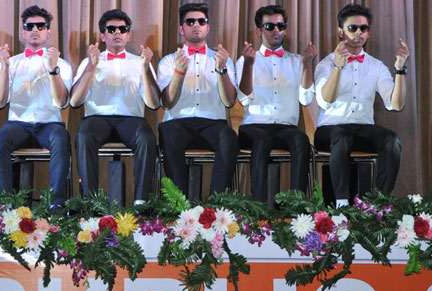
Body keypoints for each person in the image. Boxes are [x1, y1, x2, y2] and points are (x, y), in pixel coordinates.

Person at [315, 4, 409, 207]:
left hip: (363, 129)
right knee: (342, 136)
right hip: (329, 130)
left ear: (368, 33)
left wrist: (400, 70)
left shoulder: (376, 66)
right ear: (340, 32)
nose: (359, 33)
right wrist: (338, 68)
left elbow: (395, 104)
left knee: (391, 140)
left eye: (363, 28)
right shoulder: (326, 64)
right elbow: (325, 100)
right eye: (353, 28)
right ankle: (341, 203)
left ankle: (379, 204)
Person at [70, 9, 159, 205]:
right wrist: (91, 68)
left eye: (122, 29)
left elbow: (153, 104)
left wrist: (145, 69)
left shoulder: (140, 62)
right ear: (103, 36)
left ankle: (141, 201)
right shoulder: (90, 61)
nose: (117, 32)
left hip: (131, 119)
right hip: (97, 119)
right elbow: (74, 102)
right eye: (111, 29)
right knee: (83, 136)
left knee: (146, 137)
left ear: (128, 35)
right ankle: (90, 202)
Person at [0, 5, 73, 208]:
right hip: (18, 124)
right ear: (23, 32)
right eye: (30, 26)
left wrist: (53, 69)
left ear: (48, 31)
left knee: (61, 139)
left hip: (49, 124)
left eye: (40, 26)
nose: (35, 30)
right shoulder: (11, 62)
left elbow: (62, 102)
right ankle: (3, 205)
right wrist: (3, 66)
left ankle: (57, 204)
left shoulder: (61, 63)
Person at [236, 5, 317, 203]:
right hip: (253, 126)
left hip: (285, 127)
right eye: (270, 26)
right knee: (262, 140)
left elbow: (305, 99)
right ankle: (259, 207)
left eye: (280, 26)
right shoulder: (245, 60)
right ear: (259, 30)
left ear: (285, 30)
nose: (276, 31)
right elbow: (244, 99)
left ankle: (296, 205)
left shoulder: (297, 61)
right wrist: (248, 65)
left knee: (301, 140)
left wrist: (307, 66)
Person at [157, 2, 239, 199]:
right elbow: (167, 102)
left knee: (228, 137)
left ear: (208, 27)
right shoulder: (169, 61)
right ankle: (180, 207)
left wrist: (221, 70)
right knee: (170, 136)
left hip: (213, 123)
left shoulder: (222, 59)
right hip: (178, 122)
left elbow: (229, 101)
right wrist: (179, 72)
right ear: (181, 29)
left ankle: (216, 207)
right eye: (190, 21)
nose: (196, 25)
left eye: (201, 21)